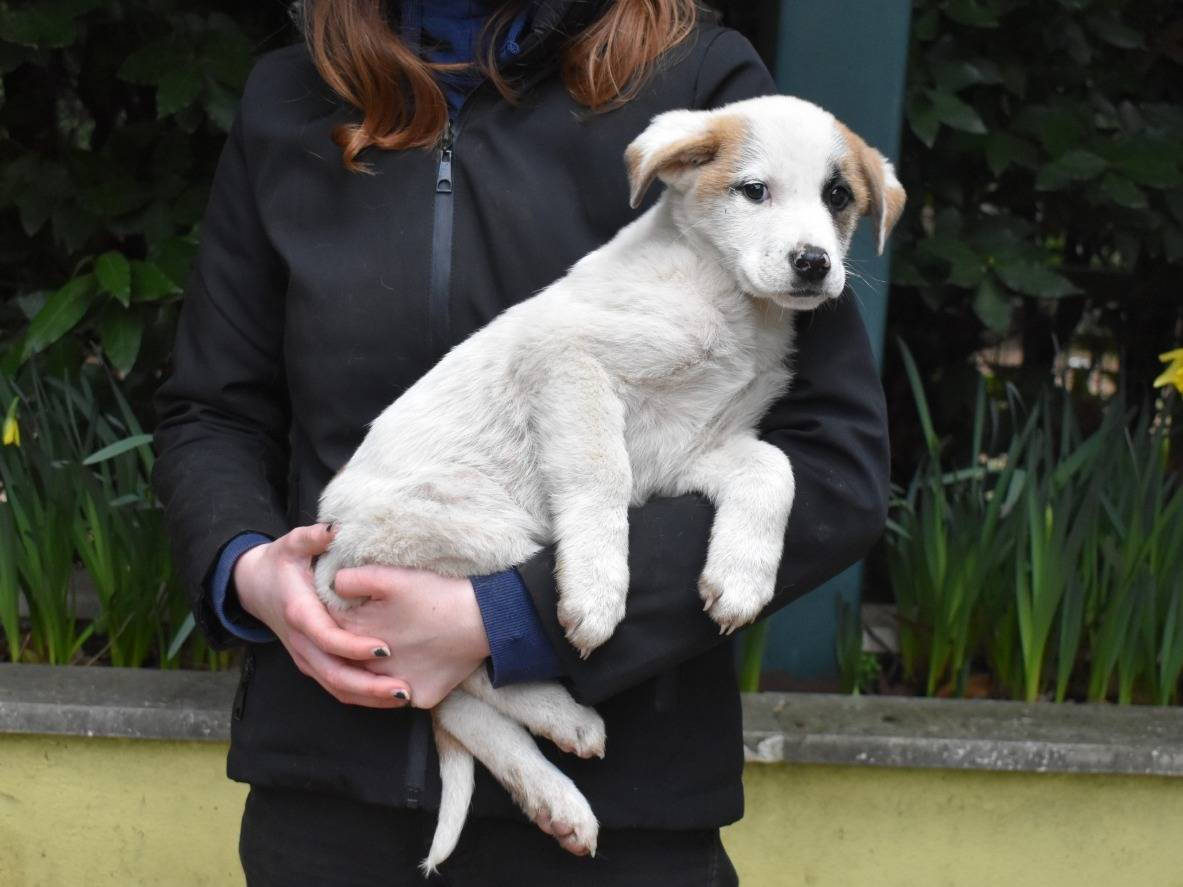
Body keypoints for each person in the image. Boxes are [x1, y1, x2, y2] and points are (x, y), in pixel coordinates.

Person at [152, 1, 890, 884]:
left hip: (620, 806)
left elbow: (831, 461)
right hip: (327, 792)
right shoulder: (291, 95)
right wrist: (249, 572)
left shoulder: (698, 85)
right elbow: (213, 412)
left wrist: (505, 619)